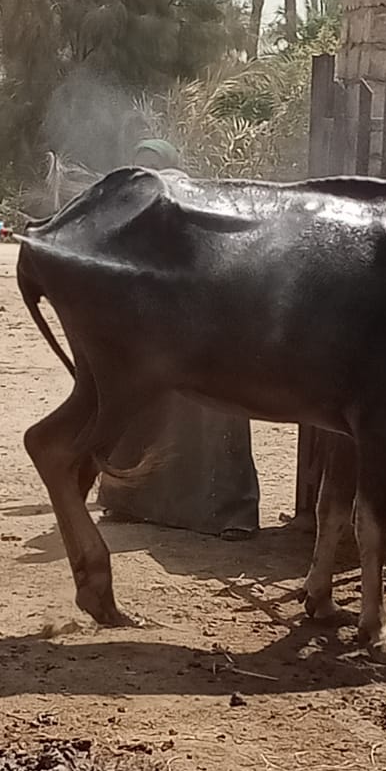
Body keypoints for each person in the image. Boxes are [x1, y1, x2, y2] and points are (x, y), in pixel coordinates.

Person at [96, 139, 260, 541]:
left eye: (153, 165)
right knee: (139, 408)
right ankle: (133, 501)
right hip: (157, 325)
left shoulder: (193, 203)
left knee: (215, 414)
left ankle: (228, 511)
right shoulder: (133, 207)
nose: (146, 173)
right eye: (140, 165)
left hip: (206, 327)